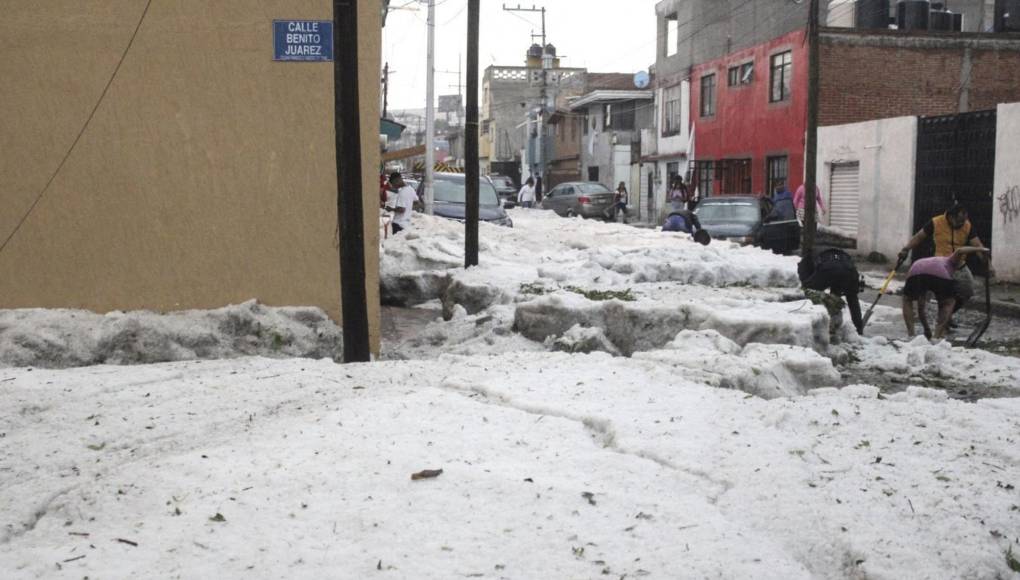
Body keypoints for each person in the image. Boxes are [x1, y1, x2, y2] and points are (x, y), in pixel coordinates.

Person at [898, 203, 994, 315]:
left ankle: (948, 314)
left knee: (967, 291)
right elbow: (919, 236)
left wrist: (989, 265)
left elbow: (978, 245)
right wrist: (906, 249)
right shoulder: (936, 222)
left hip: (959, 263)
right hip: (941, 265)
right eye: (959, 221)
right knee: (945, 295)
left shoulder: (967, 226)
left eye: (964, 221)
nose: (962, 224)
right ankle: (943, 319)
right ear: (951, 216)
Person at [901, 247, 990, 339]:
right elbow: (960, 251)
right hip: (940, 273)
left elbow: (921, 307)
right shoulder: (950, 260)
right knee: (948, 302)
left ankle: (911, 335)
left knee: (907, 300)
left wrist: (926, 328)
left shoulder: (923, 261)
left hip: (916, 271)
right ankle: (936, 336)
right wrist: (982, 249)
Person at [798, 248, 864, 335]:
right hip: (850, 271)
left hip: (828, 270)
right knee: (851, 299)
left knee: (811, 293)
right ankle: (858, 328)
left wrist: (808, 288)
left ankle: (819, 327)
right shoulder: (840, 254)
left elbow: (806, 283)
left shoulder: (807, 258)